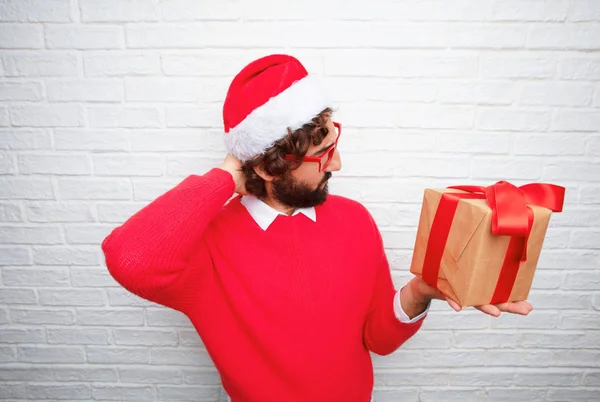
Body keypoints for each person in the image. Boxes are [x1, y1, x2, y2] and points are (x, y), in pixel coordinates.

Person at [101, 54, 533, 402]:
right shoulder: (206, 248)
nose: (338, 164)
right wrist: (228, 174)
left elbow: (377, 339)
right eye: (323, 155)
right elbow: (129, 257)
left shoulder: (353, 220)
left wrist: (420, 292)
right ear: (269, 168)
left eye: (334, 145)